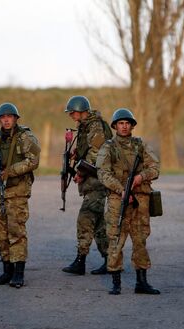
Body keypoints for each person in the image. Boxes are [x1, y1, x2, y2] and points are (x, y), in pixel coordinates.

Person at [96, 108, 161, 295]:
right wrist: (121, 189)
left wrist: (141, 177)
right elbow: (103, 173)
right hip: (119, 199)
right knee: (116, 238)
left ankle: (142, 282)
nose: (124, 127)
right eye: (120, 123)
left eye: (127, 123)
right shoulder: (108, 147)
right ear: (115, 126)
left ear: (132, 125)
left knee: (140, 238)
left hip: (141, 198)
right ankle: (116, 282)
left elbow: (155, 168)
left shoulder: (140, 145)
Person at [0, 103, 40, 288]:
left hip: (16, 192)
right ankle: (7, 271)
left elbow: (33, 161)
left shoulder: (26, 137)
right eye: (2, 117)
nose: (6, 120)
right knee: (0, 234)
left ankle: (18, 273)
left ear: (15, 119)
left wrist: (10, 171)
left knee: (16, 231)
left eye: (9, 117)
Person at [61, 96, 113, 276]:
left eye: (73, 112)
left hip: (97, 182)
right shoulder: (85, 126)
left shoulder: (95, 126)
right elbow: (89, 149)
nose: (71, 116)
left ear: (82, 110)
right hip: (94, 182)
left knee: (85, 219)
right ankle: (110, 261)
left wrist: (81, 172)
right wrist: (77, 153)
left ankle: (80, 261)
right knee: (99, 225)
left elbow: (98, 154)